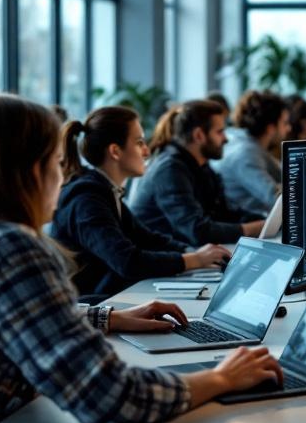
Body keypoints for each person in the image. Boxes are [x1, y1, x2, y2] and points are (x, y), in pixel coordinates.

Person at [0, 94, 284, 423]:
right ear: (29, 171)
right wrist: (222, 378)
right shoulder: (8, 248)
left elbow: (16, 316)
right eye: (56, 163)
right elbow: (112, 398)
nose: (62, 175)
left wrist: (109, 317)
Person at [52, 106, 232, 296]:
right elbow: (128, 262)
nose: (146, 151)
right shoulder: (86, 198)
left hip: (115, 295)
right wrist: (195, 259)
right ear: (115, 151)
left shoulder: (104, 190)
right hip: (91, 305)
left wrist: (194, 251)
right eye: (139, 143)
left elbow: (147, 238)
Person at [130, 100, 264, 246]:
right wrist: (253, 229)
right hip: (161, 256)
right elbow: (197, 231)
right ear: (199, 135)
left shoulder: (201, 166)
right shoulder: (169, 170)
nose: (225, 139)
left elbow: (225, 212)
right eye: (220, 132)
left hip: (186, 251)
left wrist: (267, 222)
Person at [213, 91, 289, 217]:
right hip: (250, 222)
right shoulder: (246, 153)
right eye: (285, 123)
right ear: (271, 128)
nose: (288, 128)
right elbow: (275, 198)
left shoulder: (247, 144)